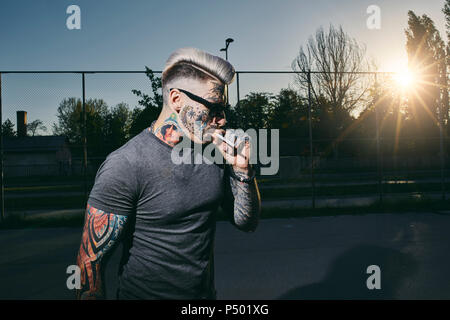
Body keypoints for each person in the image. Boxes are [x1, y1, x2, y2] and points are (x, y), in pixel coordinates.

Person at [75, 47, 261, 300]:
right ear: (176, 99)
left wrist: (242, 170)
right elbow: (90, 263)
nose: (222, 119)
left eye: (223, 110)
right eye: (213, 108)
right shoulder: (126, 164)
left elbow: (246, 223)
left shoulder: (216, 154)